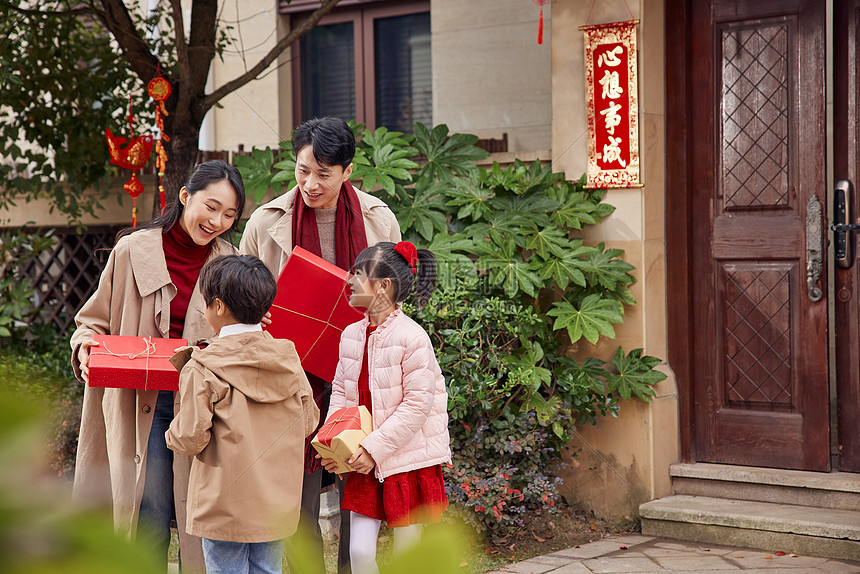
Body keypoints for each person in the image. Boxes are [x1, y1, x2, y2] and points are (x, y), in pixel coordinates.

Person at [240, 116, 401, 573]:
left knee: (357, 486)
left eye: (323, 174)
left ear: (347, 171)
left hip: (361, 373)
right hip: (292, 376)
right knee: (296, 497)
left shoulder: (379, 219)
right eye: (302, 170)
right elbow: (241, 298)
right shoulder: (266, 221)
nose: (310, 184)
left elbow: (396, 299)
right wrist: (258, 312)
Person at [70, 160, 245, 572]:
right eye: (211, 206)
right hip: (140, 400)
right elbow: (89, 322)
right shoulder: (132, 250)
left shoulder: (231, 262)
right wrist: (86, 349)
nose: (217, 221)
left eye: (230, 215)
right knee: (147, 512)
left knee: (200, 516)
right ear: (185, 196)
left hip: (206, 405)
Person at [165, 254, 319, 574]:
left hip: (225, 504)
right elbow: (308, 422)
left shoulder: (202, 366)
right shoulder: (287, 359)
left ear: (218, 307)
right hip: (276, 502)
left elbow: (190, 438)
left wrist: (169, 434)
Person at [319, 241, 451, 574]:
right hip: (363, 459)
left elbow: (417, 405)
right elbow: (341, 393)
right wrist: (335, 446)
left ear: (382, 287)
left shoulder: (413, 337)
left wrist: (374, 448)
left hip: (405, 461)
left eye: (357, 274)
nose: (348, 280)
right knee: (360, 554)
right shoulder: (350, 334)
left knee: (408, 557)